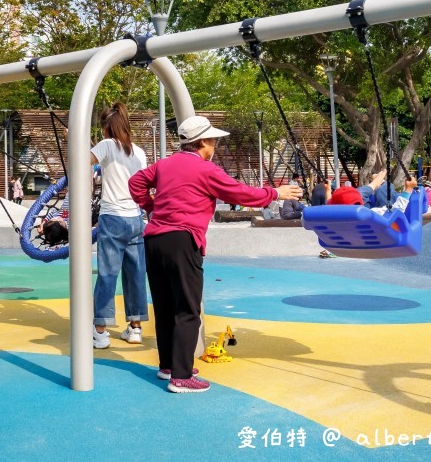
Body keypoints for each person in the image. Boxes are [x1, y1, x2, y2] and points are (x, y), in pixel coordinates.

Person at [128, 116, 301, 394]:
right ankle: (181, 377)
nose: (216, 145)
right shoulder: (206, 170)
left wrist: (151, 206)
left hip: (154, 240)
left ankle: (169, 365)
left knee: (164, 306)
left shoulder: (165, 164)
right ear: (204, 142)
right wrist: (275, 193)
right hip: (183, 240)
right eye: (214, 140)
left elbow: (136, 182)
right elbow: (241, 193)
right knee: (187, 308)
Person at [90, 102, 148, 349]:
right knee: (135, 274)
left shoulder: (105, 146)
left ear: (107, 127)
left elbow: (82, 162)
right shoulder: (139, 152)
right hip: (135, 218)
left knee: (107, 273)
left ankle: (101, 331)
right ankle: (135, 328)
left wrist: (74, 140)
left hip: (112, 217)